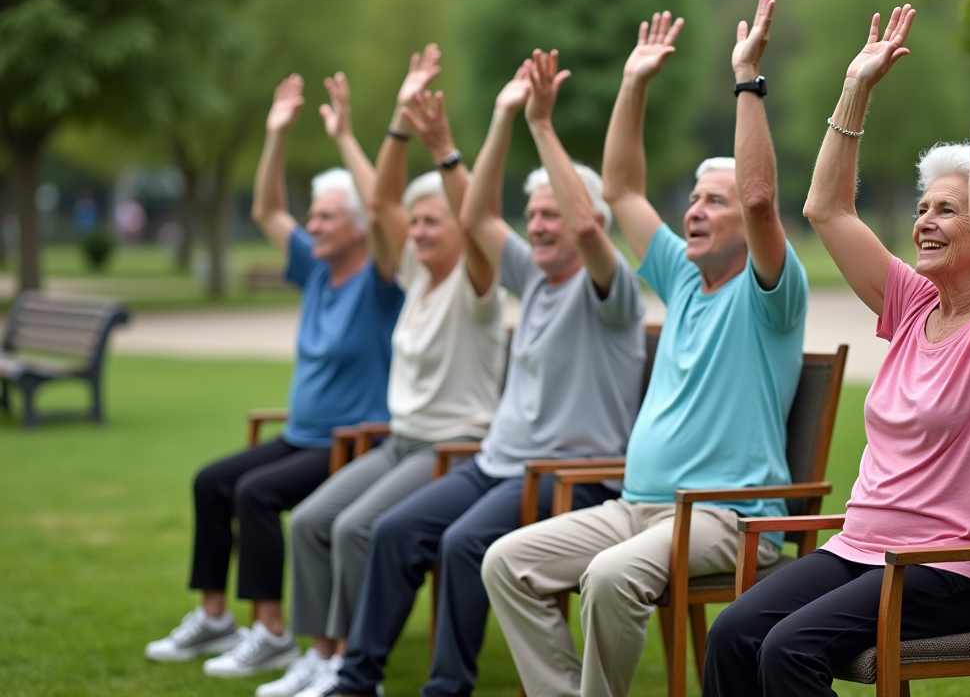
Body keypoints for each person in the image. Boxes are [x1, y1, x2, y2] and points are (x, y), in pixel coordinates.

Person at [703, 0, 970, 697]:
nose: (926, 221)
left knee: (789, 651)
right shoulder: (912, 301)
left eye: (944, 211)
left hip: (951, 570)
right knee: (733, 634)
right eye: (923, 208)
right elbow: (825, 208)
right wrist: (854, 87)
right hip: (863, 550)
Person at [482, 0, 808, 697]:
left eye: (710, 201)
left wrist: (747, 81)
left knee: (609, 578)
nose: (694, 209)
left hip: (727, 517)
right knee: (506, 561)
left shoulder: (769, 293)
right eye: (692, 197)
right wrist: (632, 85)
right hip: (636, 507)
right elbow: (622, 189)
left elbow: (758, 199)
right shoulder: (681, 279)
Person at [322, 54, 645, 697]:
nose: (541, 226)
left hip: (564, 476)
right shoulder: (532, 276)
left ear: (593, 227)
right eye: (536, 215)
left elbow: (584, 221)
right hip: (498, 462)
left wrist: (541, 125)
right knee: (391, 533)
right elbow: (475, 218)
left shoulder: (614, 294)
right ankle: (356, 682)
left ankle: (447, 689)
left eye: (553, 214)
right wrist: (465, 141)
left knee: (463, 544)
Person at [254, 49, 508, 697]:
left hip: (455, 448)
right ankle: (322, 655)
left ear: (462, 227)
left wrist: (446, 157)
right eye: (413, 223)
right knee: (312, 520)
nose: (417, 231)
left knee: (353, 528)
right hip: (401, 439)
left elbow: (463, 213)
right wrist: (396, 123)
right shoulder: (417, 276)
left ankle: (349, 669)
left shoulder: (479, 288)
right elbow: (382, 199)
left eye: (433, 222)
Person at [144, 74, 404, 678]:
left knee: (255, 494)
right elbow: (266, 209)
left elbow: (387, 210)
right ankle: (214, 618)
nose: (312, 226)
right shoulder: (315, 269)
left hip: (352, 443)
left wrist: (344, 138)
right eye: (312, 216)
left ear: (361, 227)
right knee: (211, 482)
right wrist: (275, 136)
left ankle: (273, 631)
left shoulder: (382, 281)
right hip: (302, 435)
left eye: (327, 217)